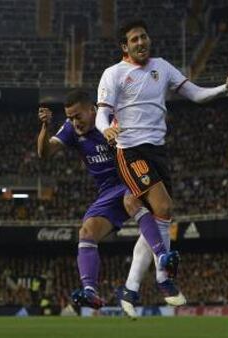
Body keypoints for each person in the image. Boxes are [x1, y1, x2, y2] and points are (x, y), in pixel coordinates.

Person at [95, 18, 228, 315]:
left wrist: (225, 89)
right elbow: (102, 114)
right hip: (130, 149)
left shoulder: (162, 67)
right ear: (125, 46)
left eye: (144, 37)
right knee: (163, 206)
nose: (141, 42)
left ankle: (130, 289)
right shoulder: (113, 74)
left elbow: (196, 94)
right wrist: (106, 131)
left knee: (158, 217)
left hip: (158, 152)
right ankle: (165, 278)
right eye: (135, 39)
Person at [37, 89, 181, 310]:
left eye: (78, 116)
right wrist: (46, 127)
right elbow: (45, 153)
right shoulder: (71, 130)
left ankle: (164, 258)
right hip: (107, 192)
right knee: (86, 232)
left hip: (131, 178)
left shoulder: (114, 119)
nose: (74, 122)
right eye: (70, 118)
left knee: (131, 201)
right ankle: (90, 291)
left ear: (92, 109)